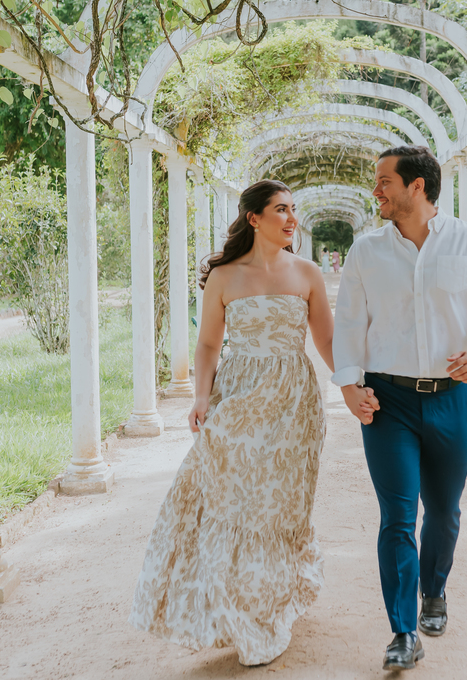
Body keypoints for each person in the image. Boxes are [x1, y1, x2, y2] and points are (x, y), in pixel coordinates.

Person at [332, 146, 467, 671]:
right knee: (396, 517)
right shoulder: (366, 251)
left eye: (385, 181)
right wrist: (349, 386)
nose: (377, 190)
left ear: (417, 186)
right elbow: (347, 323)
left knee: (443, 509)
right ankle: (403, 631)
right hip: (385, 401)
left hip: (449, 399)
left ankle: (435, 591)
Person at [130, 179, 334, 666]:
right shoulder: (224, 276)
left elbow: (327, 341)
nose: (291, 219)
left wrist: (354, 386)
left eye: (293, 210)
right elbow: (207, 345)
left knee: (281, 505)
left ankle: (270, 604)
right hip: (238, 396)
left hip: (293, 400)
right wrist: (202, 396)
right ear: (254, 218)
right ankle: (237, 613)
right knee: (227, 497)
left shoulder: (307, 273)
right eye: (281, 210)